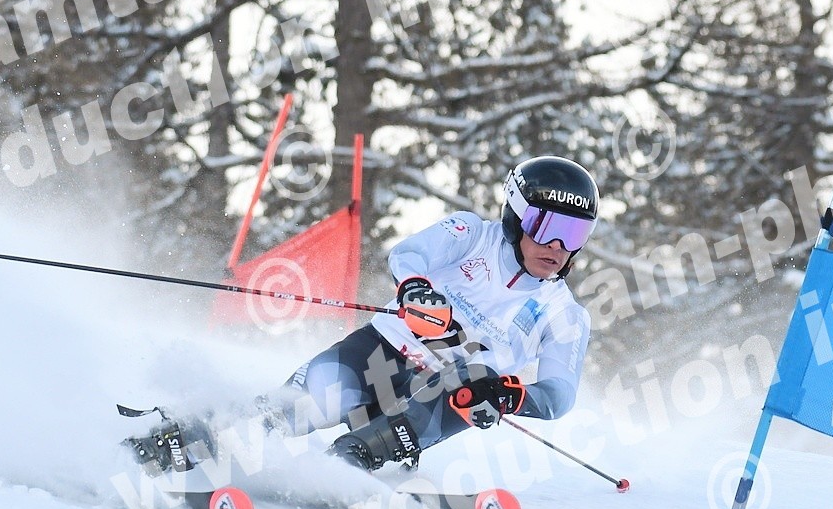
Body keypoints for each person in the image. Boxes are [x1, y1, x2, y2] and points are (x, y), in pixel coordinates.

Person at [128, 155, 599, 477]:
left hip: (442, 395)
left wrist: (509, 394)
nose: (559, 247)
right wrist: (415, 288)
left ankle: (338, 471)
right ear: (516, 217)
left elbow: (559, 396)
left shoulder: (564, 315)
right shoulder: (472, 234)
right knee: (289, 412)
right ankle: (172, 441)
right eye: (548, 227)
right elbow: (410, 255)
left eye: (575, 234)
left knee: (381, 439)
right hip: (380, 353)